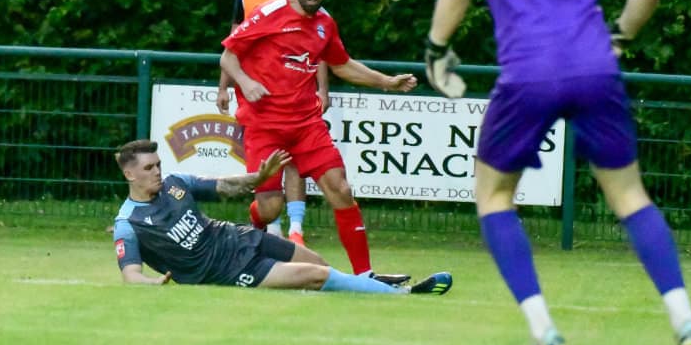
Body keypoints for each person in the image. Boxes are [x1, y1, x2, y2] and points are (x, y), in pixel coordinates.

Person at [423, 0, 691, 345]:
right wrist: (620, 38)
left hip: (528, 74)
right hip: (595, 69)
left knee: (494, 197)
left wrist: (436, 49)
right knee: (631, 197)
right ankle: (686, 323)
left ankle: (544, 332)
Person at [220, 0, 422, 286]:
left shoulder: (325, 25)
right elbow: (228, 57)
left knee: (340, 189)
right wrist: (245, 82)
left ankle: (365, 276)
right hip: (264, 125)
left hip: (306, 125)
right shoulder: (269, 13)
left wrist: (386, 82)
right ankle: (250, 229)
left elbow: (342, 64)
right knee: (270, 208)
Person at [112, 139, 452, 295]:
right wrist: (153, 284)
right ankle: (405, 295)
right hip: (226, 270)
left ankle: (367, 288)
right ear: (130, 175)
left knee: (318, 263)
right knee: (317, 276)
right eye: (149, 168)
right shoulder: (129, 224)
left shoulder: (176, 183)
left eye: (158, 165)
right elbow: (131, 275)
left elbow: (225, 185)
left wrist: (259, 178)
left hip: (239, 237)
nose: (158, 171)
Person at [217, 0, 326, 246]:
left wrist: (323, 89)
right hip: (257, 89)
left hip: (297, 86)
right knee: (271, 159)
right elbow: (233, 42)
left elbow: (319, 39)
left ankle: (296, 230)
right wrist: (224, 86)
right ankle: (273, 226)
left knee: (296, 159)